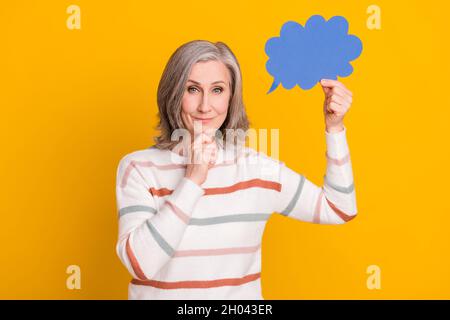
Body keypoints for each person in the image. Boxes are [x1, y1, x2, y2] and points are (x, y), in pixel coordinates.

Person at [115, 40, 357, 300]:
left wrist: (334, 128)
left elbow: (339, 208)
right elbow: (141, 264)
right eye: (193, 89)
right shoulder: (139, 168)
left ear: (231, 97)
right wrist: (193, 180)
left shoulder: (257, 169)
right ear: (172, 93)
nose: (205, 106)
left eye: (217, 90)